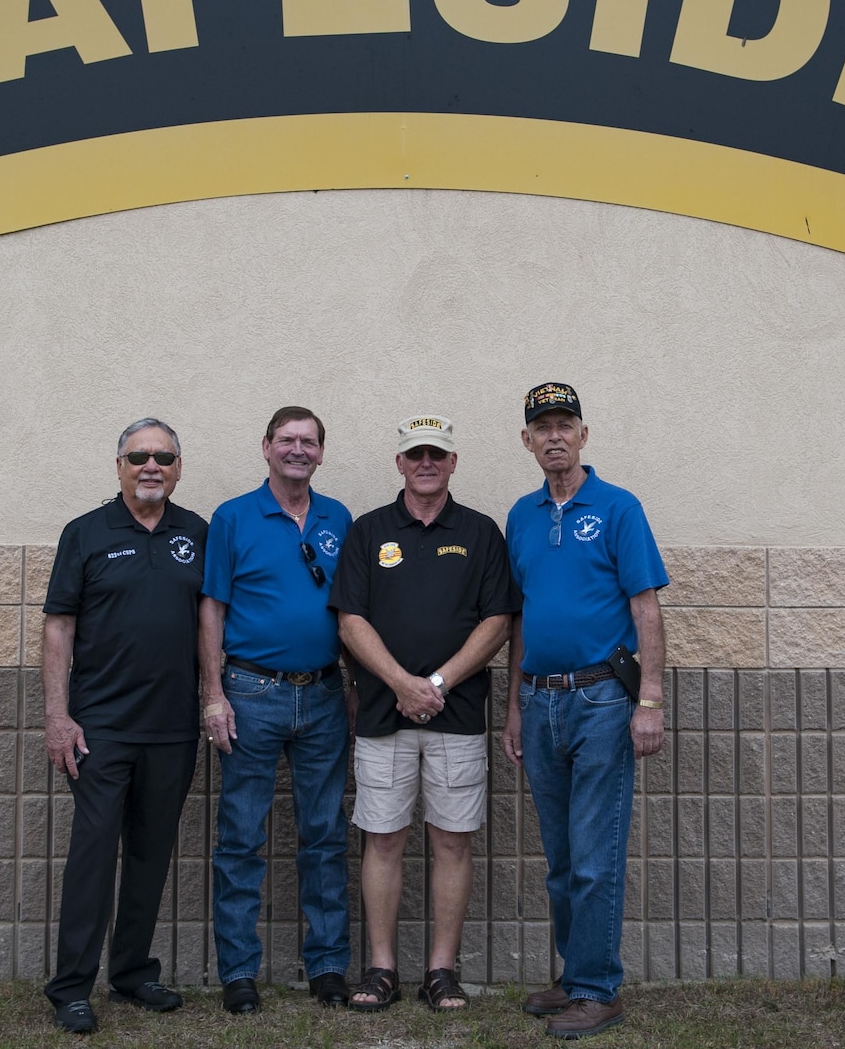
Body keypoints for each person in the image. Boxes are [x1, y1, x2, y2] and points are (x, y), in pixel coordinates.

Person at [329, 414, 516, 1013]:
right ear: (400, 463)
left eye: (438, 454)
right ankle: (381, 969)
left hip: (457, 716)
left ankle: (441, 971)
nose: (427, 463)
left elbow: (498, 621)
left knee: (453, 843)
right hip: (384, 717)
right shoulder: (368, 532)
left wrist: (435, 683)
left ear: (454, 462)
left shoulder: (482, 533)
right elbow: (350, 620)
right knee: (382, 840)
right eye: (416, 455)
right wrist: (401, 683)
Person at [501, 383, 669, 1040]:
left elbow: (646, 608)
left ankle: (599, 988)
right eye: (542, 427)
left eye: (565, 423)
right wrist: (515, 703)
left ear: (584, 433)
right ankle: (576, 976)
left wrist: (649, 699)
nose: (554, 436)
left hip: (602, 699)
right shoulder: (521, 514)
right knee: (563, 856)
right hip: (540, 700)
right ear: (527, 441)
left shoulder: (619, 508)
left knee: (595, 851)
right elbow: (521, 616)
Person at [40, 419, 208, 1034]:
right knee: (93, 853)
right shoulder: (84, 534)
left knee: (149, 854)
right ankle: (71, 987)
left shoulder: (197, 534)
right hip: (99, 729)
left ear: (179, 467)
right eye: (138, 456)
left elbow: (209, 623)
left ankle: (133, 972)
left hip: (172, 728)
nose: (151, 466)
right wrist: (58, 718)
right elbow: (58, 627)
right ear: (118, 466)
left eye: (164, 456)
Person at [198, 405, 356, 1013]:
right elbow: (211, 608)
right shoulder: (234, 518)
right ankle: (239, 973)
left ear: (321, 452)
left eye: (308, 442)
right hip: (250, 694)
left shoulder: (338, 518)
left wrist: (351, 685)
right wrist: (213, 694)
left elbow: (350, 612)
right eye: (286, 440)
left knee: (324, 837)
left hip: (321, 696)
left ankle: (327, 967)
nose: (297, 450)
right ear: (265, 447)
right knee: (240, 839)